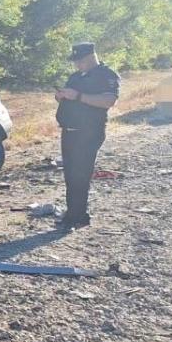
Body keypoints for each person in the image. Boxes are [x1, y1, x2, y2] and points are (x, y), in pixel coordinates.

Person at [54, 42, 119, 228]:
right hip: (69, 130)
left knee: (80, 174)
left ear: (91, 57)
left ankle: (79, 216)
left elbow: (109, 100)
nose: (77, 65)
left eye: (80, 61)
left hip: (89, 132)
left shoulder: (106, 75)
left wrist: (79, 96)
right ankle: (72, 213)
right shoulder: (75, 76)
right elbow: (67, 95)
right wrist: (61, 96)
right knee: (70, 174)